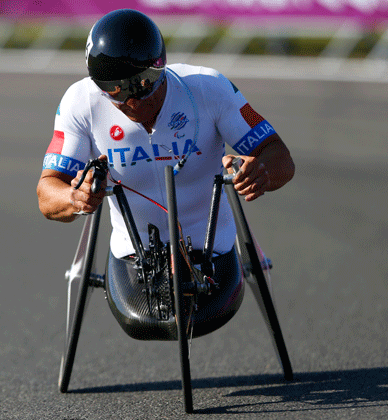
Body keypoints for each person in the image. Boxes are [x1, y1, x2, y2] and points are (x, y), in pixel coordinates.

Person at [37, 9, 294, 340]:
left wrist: (261, 171)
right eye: (113, 91)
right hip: (133, 256)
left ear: (161, 68)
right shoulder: (79, 102)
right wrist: (74, 197)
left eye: (143, 87)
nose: (131, 103)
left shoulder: (209, 88)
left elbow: (280, 157)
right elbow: (47, 192)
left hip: (213, 250)